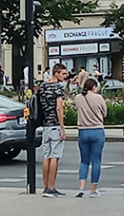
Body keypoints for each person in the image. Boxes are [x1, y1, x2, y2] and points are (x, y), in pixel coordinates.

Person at [39, 63, 68, 198]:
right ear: (56, 73)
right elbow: (59, 108)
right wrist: (62, 127)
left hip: (45, 125)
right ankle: (51, 187)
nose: (65, 76)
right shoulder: (58, 88)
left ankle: (45, 187)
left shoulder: (43, 86)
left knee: (46, 156)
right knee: (55, 157)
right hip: (55, 124)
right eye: (63, 74)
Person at [75, 77, 106, 198]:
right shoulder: (99, 98)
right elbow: (105, 113)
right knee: (96, 161)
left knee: (84, 161)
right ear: (94, 87)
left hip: (83, 130)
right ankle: (93, 190)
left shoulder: (78, 98)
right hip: (97, 130)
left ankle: (81, 187)